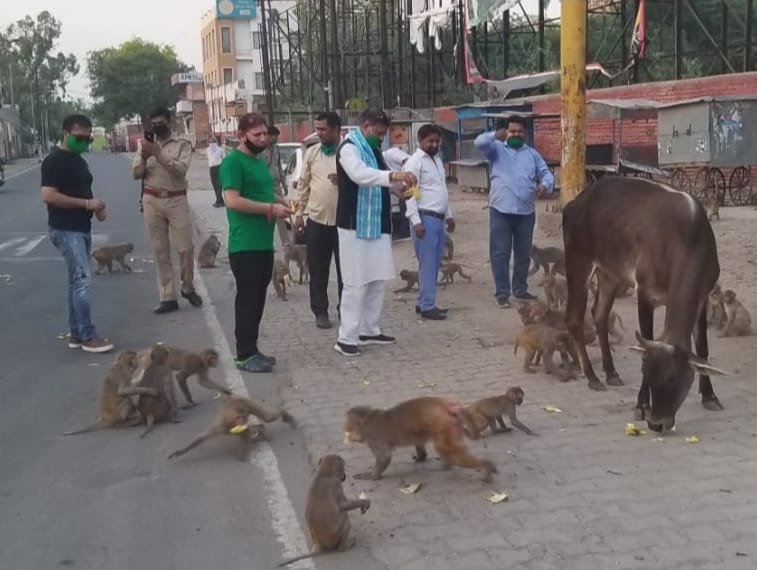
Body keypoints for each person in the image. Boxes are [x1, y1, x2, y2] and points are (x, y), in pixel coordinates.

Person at [334, 109, 417, 357]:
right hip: (353, 225)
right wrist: (393, 174)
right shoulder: (348, 148)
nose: (380, 138)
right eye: (378, 133)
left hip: (377, 223)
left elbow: (379, 181)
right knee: (355, 282)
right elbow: (360, 175)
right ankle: (346, 337)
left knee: (377, 279)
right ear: (365, 125)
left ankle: (369, 329)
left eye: (383, 134)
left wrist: (396, 189)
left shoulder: (373, 150)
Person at [220, 113, 291, 373]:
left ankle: (252, 348)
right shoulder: (233, 163)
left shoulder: (258, 161)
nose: (262, 139)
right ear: (242, 136)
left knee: (258, 298)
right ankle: (244, 354)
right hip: (245, 244)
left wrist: (280, 200)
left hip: (262, 243)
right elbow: (232, 200)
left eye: (264, 134)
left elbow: (261, 190)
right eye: (256, 135)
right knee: (248, 300)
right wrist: (270, 208)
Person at [41, 114, 113, 353]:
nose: (84, 142)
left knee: (75, 282)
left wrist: (97, 207)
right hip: (65, 228)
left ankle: (76, 332)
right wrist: (85, 205)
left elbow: (85, 190)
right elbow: (48, 195)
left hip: (81, 227)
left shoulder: (79, 161)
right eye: (79, 137)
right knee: (82, 280)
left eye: (87, 138)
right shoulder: (54, 161)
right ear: (65, 134)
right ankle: (86, 334)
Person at [474, 115, 554, 308]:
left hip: (525, 212)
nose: (516, 134)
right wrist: (496, 135)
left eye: (520, 132)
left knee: (523, 253)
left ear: (525, 134)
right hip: (500, 210)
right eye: (513, 131)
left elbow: (546, 174)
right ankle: (502, 293)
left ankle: (520, 289)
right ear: (506, 132)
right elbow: (479, 142)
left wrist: (544, 186)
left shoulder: (532, 154)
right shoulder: (496, 150)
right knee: (500, 253)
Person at [132, 107, 202, 314]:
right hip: (152, 199)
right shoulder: (143, 145)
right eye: (153, 125)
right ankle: (167, 296)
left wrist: (158, 154)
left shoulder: (182, 144)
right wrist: (144, 157)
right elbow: (136, 174)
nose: (157, 127)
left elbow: (181, 170)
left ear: (169, 121)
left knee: (186, 248)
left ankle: (187, 287)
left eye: (160, 123)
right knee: (160, 250)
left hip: (176, 198)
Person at [294, 111, 343, 330]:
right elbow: (302, 185)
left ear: (336, 130)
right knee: (317, 270)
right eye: (317, 128)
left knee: (347, 272)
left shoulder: (348, 152)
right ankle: (320, 312)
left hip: (344, 223)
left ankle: (346, 310)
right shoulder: (312, 153)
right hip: (316, 221)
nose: (319, 133)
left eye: (323, 129)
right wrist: (297, 214)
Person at [403, 124, 455, 321]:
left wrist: (449, 215)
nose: (434, 144)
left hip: (438, 218)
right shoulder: (415, 162)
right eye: (430, 141)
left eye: (436, 141)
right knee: (428, 263)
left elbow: (441, 190)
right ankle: (427, 306)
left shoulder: (437, 160)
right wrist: (416, 221)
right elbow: (410, 193)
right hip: (425, 218)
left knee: (434, 263)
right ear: (420, 141)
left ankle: (423, 301)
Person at [261, 125, 290, 245]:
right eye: (273, 137)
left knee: (281, 214)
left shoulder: (276, 149)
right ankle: (266, 242)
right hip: (265, 186)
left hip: (276, 185)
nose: (275, 139)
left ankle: (286, 243)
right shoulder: (261, 151)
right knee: (268, 214)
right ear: (268, 136)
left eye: (276, 137)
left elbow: (279, 167)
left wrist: (284, 183)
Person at [207, 137, 226, 207]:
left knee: (218, 184)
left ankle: (219, 201)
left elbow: (224, 158)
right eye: (211, 142)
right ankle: (220, 201)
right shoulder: (209, 150)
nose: (212, 144)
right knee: (216, 185)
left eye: (213, 142)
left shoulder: (219, 149)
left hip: (217, 167)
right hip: (214, 167)